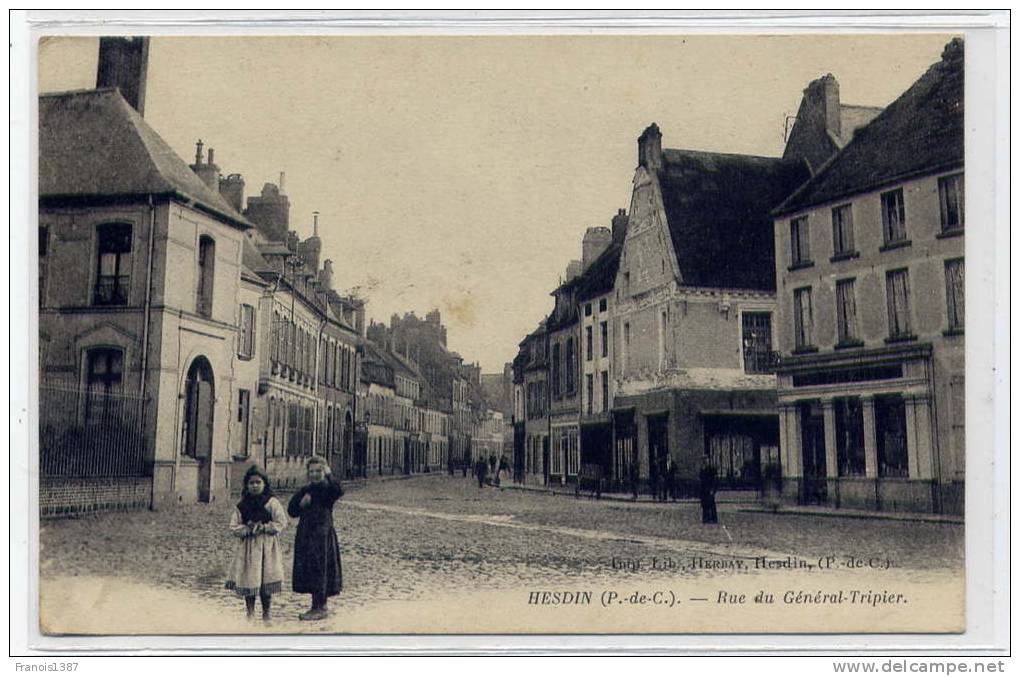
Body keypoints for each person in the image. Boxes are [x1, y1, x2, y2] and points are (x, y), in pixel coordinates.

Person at [225, 465, 287, 623]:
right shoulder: (242, 506)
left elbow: (281, 522)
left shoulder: (271, 502)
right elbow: (233, 526)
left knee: (266, 580)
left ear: (265, 483)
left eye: (258, 482)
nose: (255, 485)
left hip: (267, 548)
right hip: (249, 550)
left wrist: (265, 528)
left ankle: (267, 613)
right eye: (251, 483)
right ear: (246, 485)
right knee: (249, 579)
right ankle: (250, 612)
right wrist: (245, 529)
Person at [288, 456, 344, 621]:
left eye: (318, 471)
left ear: (324, 471)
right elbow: (291, 511)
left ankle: (320, 607)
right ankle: (316, 605)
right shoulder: (305, 490)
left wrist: (329, 474)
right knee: (310, 569)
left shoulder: (328, 488)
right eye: (311, 471)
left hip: (322, 535)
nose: (314, 474)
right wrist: (301, 504)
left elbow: (338, 490)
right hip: (306, 535)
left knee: (321, 569)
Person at [699, 455, 719, 524]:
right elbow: (701, 479)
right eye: (703, 460)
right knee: (704, 504)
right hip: (703, 489)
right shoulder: (702, 469)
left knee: (711, 504)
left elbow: (715, 480)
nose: (704, 461)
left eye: (706, 460)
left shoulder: (712, 469)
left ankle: (714, 518)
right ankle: (705, 518)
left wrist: (713, 489)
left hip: (710, 488)